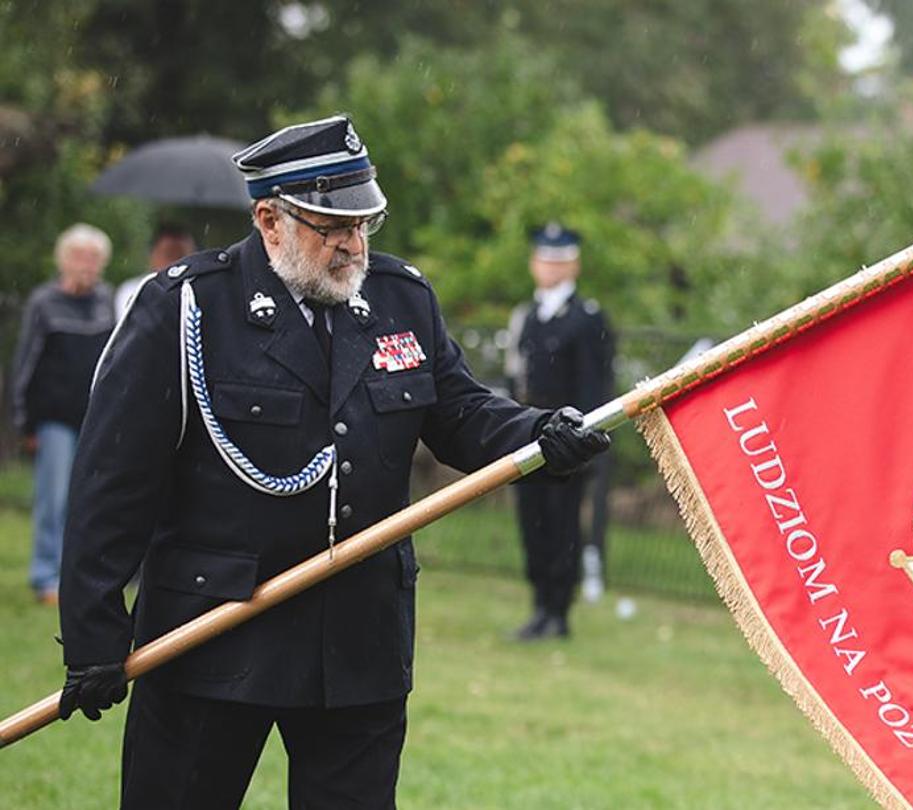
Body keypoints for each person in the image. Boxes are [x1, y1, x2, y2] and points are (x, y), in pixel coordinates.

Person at [54, 115, 613, 809]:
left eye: (363, 224)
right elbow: (114, 479)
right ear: (269, 219)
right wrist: (94, 632)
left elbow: (461, 413)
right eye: (332, 227)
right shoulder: (189, 306)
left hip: (357, 638)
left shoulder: (400, 297)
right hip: (214, 631)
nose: (354, 244)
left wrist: (539, 433)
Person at [506, 222, 614, 640]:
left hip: (567, 443)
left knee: (562, 525)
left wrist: (585, 443)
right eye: (543, 260)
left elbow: (593, 386)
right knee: (533, 523)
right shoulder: (529, 316)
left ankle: (558, 609)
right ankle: (539, 604)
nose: (548, 268)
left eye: (557, 261)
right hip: (531, 437)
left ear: (573, 265)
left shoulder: (586, 319)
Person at [12, 223, 117, 605]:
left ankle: (80, 575)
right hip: (53, 418)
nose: (86, 264)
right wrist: (23, 420)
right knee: (53, 499)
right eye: (79, 257)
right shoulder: (44, 302)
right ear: (64, 260)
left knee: (90, 500)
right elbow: (26, 362)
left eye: (93, 258)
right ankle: (45, 575)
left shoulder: (106, 302)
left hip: (95, 418)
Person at [115, 224, 197, 321]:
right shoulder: (132, 291)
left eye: (182, 256)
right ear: (153, 255)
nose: (176, 262)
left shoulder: (200, 291)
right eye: (169, 254)